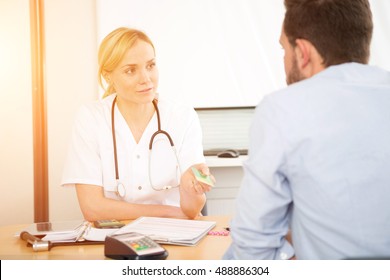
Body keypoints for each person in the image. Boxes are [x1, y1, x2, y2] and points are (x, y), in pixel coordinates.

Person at [224, 0, 390, 260]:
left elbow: (253, 244)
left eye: (284, 49)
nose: (284, 59)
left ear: (302, 52)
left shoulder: (282, 109)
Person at [61, 27, 213, 221]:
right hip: (114, 237)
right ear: (109, 76)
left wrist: (192, 189)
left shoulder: (182, 117)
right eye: (131, 70)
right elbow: (92, 208)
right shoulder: (92, 118)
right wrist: (167, 212)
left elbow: (192, 211)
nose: (146, 78)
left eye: (150, 65)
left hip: (174, 235)